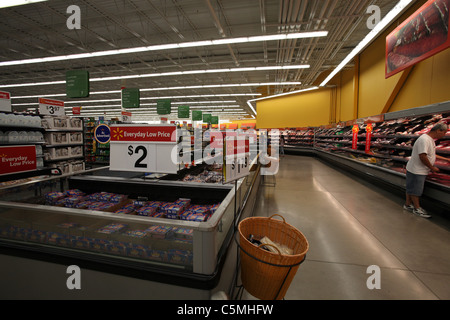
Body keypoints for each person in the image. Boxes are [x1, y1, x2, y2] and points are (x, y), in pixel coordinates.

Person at [404, 122, 449, 218]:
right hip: (417, 170)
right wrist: (432, 167)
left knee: (411, 187)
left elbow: (431, 154)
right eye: (444, 132)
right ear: (438, 130)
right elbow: (422, 156)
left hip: (416, 168)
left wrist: (446, 159)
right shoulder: (424, 140)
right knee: (416, 190)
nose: (444, 134)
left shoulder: (430, 139)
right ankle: (417, 208)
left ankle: (408, 205)